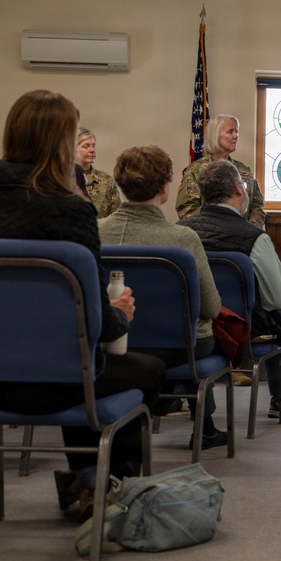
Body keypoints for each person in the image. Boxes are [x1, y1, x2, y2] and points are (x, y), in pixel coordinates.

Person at [0, 90, 165, 518]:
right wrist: (120, 315)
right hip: (60, 381)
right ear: (64, 144)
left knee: (29, 351)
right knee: (145, 369)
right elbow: (97, 322)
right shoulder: (70, 212)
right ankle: (95, 482)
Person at [98, 145, 228, 451]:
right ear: (165, 188)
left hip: (109, 340)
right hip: (178, 348)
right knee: (208, 330)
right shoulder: (182, 239)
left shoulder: (94, 232)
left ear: (120, 184)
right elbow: (211, 307)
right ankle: (204, 426)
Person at [179, 159, 281, 418]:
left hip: (192, 325)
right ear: (238, 189)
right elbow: (277, 299)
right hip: (245, 326)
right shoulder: (254, 237)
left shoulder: (179, 233)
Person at [176, 114, 266, 228]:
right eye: (230, 132)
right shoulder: (195, 171)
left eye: (237, 132)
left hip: (242, 237)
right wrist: (215, 230)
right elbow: (187, 208)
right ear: (215, 135)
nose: (236, 136)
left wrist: (250, 229)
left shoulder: (244, 170)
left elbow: (257, 205)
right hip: (209, 237)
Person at [75, 127, 122, 219]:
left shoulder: (106, 180)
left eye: (93, 146)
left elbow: (118, 216)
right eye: (86, 146)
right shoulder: (60, 179)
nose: (92, 150)